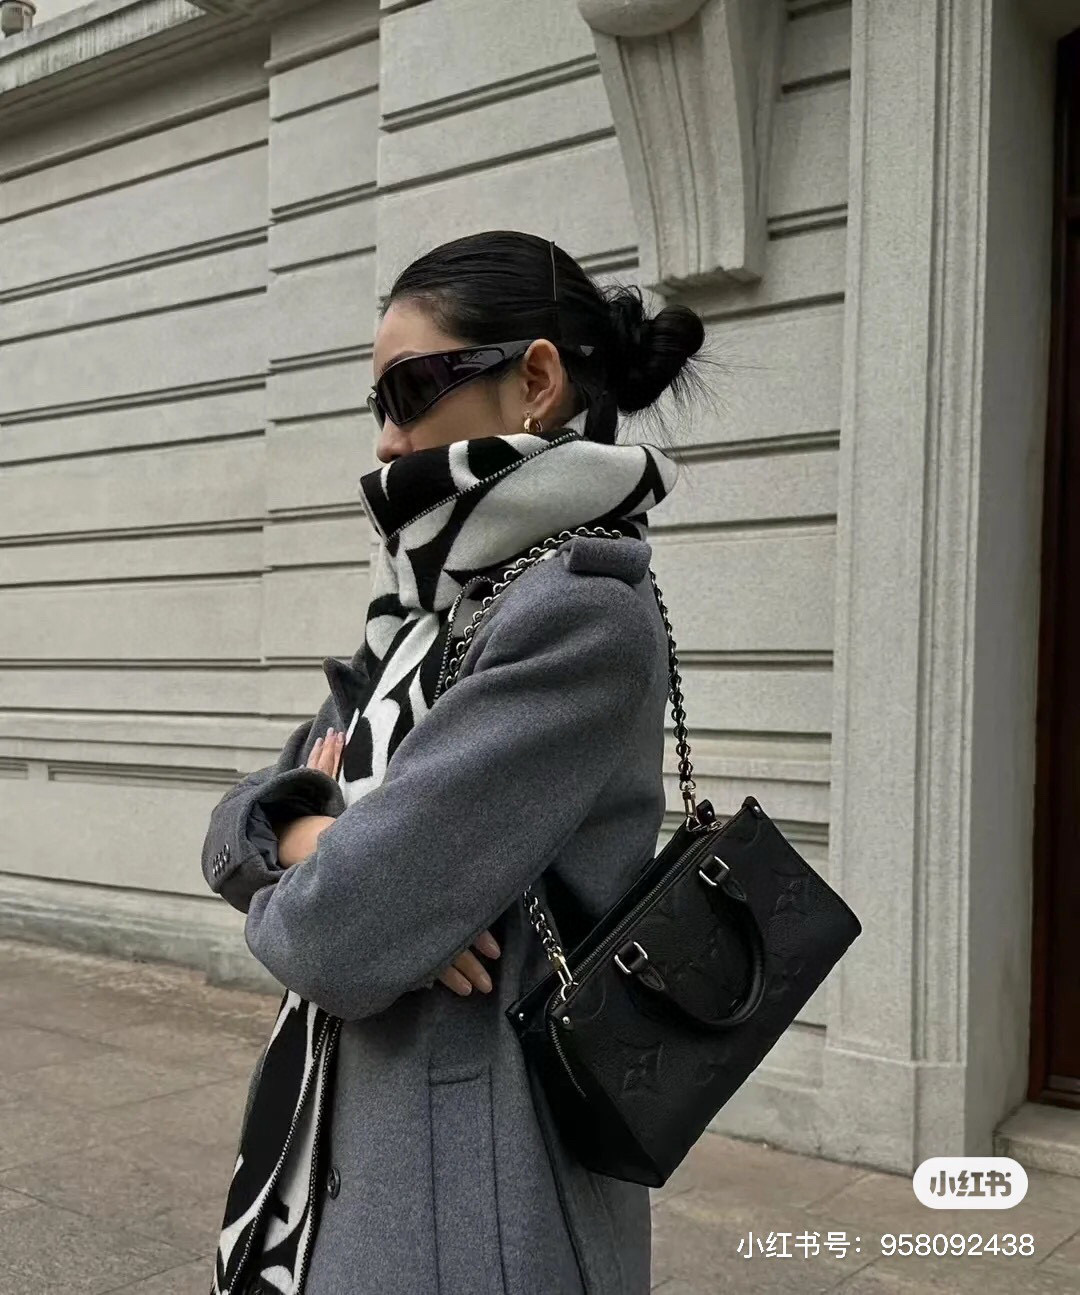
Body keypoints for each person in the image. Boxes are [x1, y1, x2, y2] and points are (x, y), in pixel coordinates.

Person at [201, 229, 706, 1295]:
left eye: (411, 389)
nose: (389, 437)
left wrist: (350, 878)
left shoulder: (579, 613)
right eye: (377, 402)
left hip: (472, 1197)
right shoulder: (421, 615)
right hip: (337, 1148)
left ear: (535, 380)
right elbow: (237, 825)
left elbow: (335, 936)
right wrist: (322, 840)